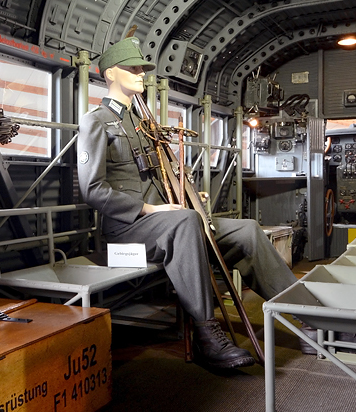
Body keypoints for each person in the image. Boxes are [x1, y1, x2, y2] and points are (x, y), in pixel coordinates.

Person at [77, 37, 298, 369]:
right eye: (133, 68)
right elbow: (92, 189)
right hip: (127, 231)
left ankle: (307, 317)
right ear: (110, 73)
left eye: (142, 68)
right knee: (186, 222)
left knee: (248, 231)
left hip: (169, 222)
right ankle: (207, 334)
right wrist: (151, 210)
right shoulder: (95, 122)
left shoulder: (141, 125)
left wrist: (188, 196)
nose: (141, 74)